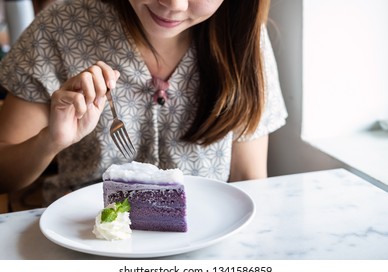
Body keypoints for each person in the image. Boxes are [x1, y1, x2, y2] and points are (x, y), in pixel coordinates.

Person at [0, 0, 287, 205]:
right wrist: (50, 141)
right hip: (87, 234)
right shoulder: (60, 28)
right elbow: (4, 175)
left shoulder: (244, 39)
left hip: (201, 238)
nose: (174, 4)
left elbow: (249, 179)